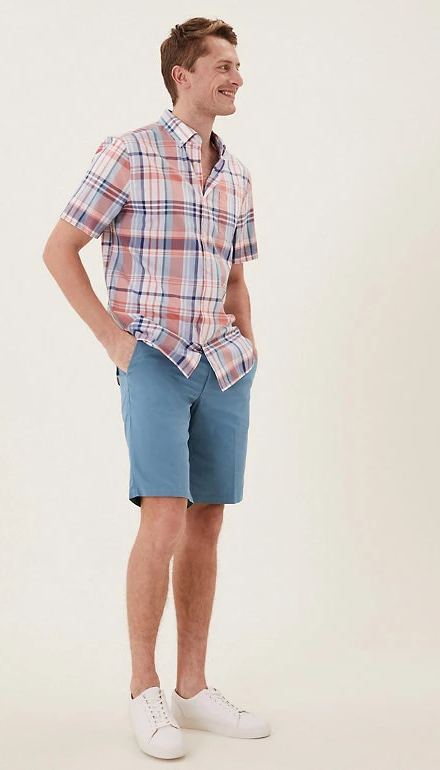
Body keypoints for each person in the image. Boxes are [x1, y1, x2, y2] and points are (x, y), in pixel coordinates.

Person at [43, 16, 271, 760]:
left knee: (208, 522)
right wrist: (117, 342)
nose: (236, 77)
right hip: (154, 359)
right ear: (184, 74)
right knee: (164, 517)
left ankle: (192, 688)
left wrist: (249, 345)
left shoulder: (236, 173)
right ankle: (145, 691)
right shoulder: (129, 152)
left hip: (223, 364)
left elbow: (234, 277)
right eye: (223, 65)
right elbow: (60, 248)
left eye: (237, 65)